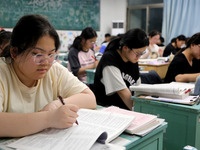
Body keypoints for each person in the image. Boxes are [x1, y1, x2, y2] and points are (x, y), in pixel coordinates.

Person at [0, 14, 96, 137]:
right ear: (14, 52)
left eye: (51, 54)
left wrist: (57, 104)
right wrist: (49, 118)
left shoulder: (53, 70)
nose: (45, 62)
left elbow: (90, 98)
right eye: (37, 54)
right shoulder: (3, 73)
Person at [93, 28, 149, 110]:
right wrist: (138, 110)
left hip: (124, 108)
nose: (139, 57)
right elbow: (121, 91)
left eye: (142, 53)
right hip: (108, 108)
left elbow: (137, 87)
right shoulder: (110, 58)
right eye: (137, 53)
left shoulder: (132, 59)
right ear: (125, 48)